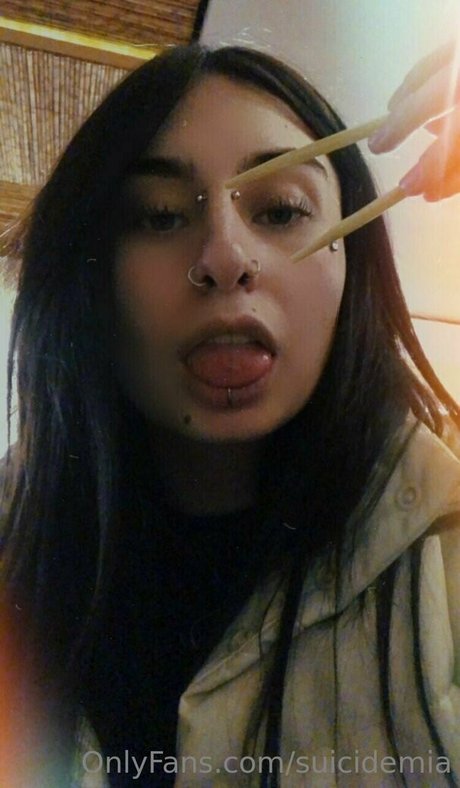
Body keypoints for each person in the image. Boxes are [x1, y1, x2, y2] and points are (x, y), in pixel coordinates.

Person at [0, 41, 459, 787]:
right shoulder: (15, 549)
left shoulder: (444, 552)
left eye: (280, 210)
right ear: (89, 275)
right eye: (158, 217)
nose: (225, 256)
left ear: (355, 263)